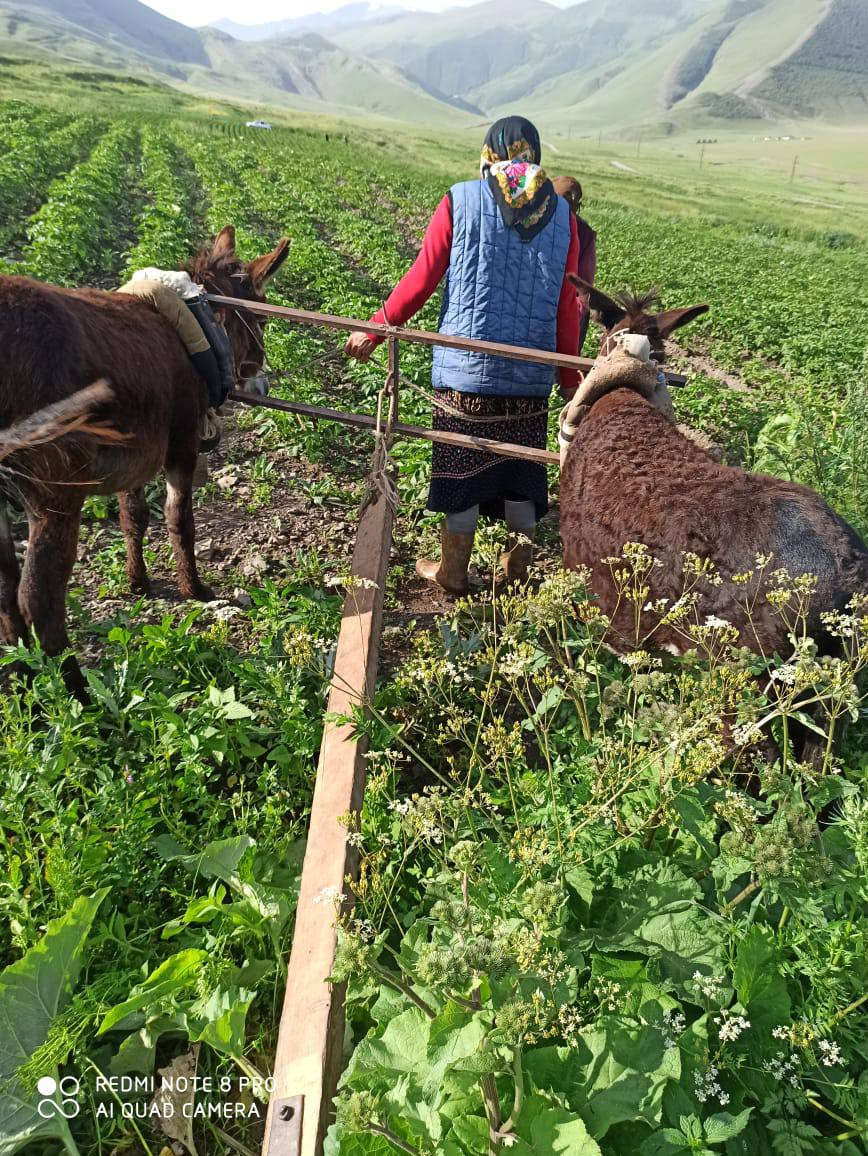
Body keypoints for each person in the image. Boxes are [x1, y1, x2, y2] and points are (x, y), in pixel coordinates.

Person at [345, 116, 582, 593]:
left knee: (461, 473)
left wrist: (375, 331)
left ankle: (453, 572)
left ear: (487, 153)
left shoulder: (461, 199)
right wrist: (569, 377)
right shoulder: (564, 219)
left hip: (464, 376)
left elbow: (422, 279)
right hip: (529, 381)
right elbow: (567, 307)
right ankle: (515, 580)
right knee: (521, 476)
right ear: (534, 156)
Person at [116, 268, 235, 414]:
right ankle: (214, 396)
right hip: (156, 290)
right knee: (198, 343)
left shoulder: (178, 283)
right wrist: (216, 392)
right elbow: (197, 343)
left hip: (128, 287)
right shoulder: (183, 290)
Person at [551, 176, 597, 354]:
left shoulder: (536, 221)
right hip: (567, 308)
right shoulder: (584, 232)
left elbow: (584, 286)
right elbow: (585, 284)